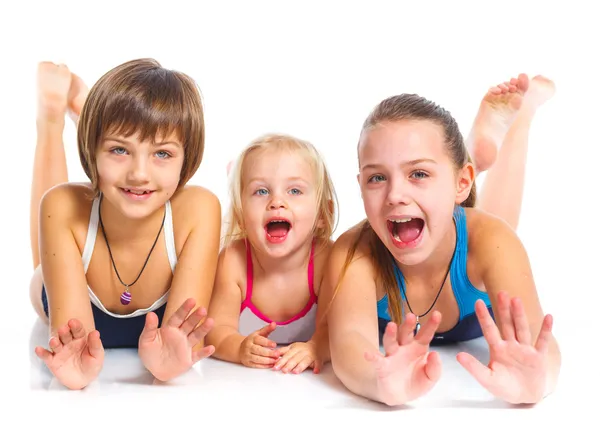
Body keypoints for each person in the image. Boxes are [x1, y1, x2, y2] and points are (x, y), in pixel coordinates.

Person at [321, 74, 561, 406]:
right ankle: (468, 151)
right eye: (377, 177)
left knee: (500, 225)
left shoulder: (490, 242)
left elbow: (541, 346)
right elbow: (349, 344)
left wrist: (539, 381)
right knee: (462, 216)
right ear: (360, 185)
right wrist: (377, 382)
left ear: (463, 183)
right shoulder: (352, 253)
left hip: (474, 228)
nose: (395, 195)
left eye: (417, 173)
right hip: (449, 203)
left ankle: (521, 116)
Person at [29, 59, 221, 390]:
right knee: (59, 203)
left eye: (162, 154)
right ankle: (51, 120)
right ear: (92, 152)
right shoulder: (62, 208)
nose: (139, 174)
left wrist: (169, 364)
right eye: (119, 149)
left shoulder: (200, 209)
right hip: (62, 278)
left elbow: (180, 341)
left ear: (186, 160)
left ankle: (95, 123)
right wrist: (75, 370)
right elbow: (76, 345)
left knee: (88, 193)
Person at [205, 134, 337, 374]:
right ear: (241, 215)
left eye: (295, 190)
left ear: (321, 214)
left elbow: (336, 327)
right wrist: (239, 348)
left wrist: (316, 347)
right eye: (261, 191)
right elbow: (216, 330)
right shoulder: (233, 261)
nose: (277, 201)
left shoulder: (326, 259)